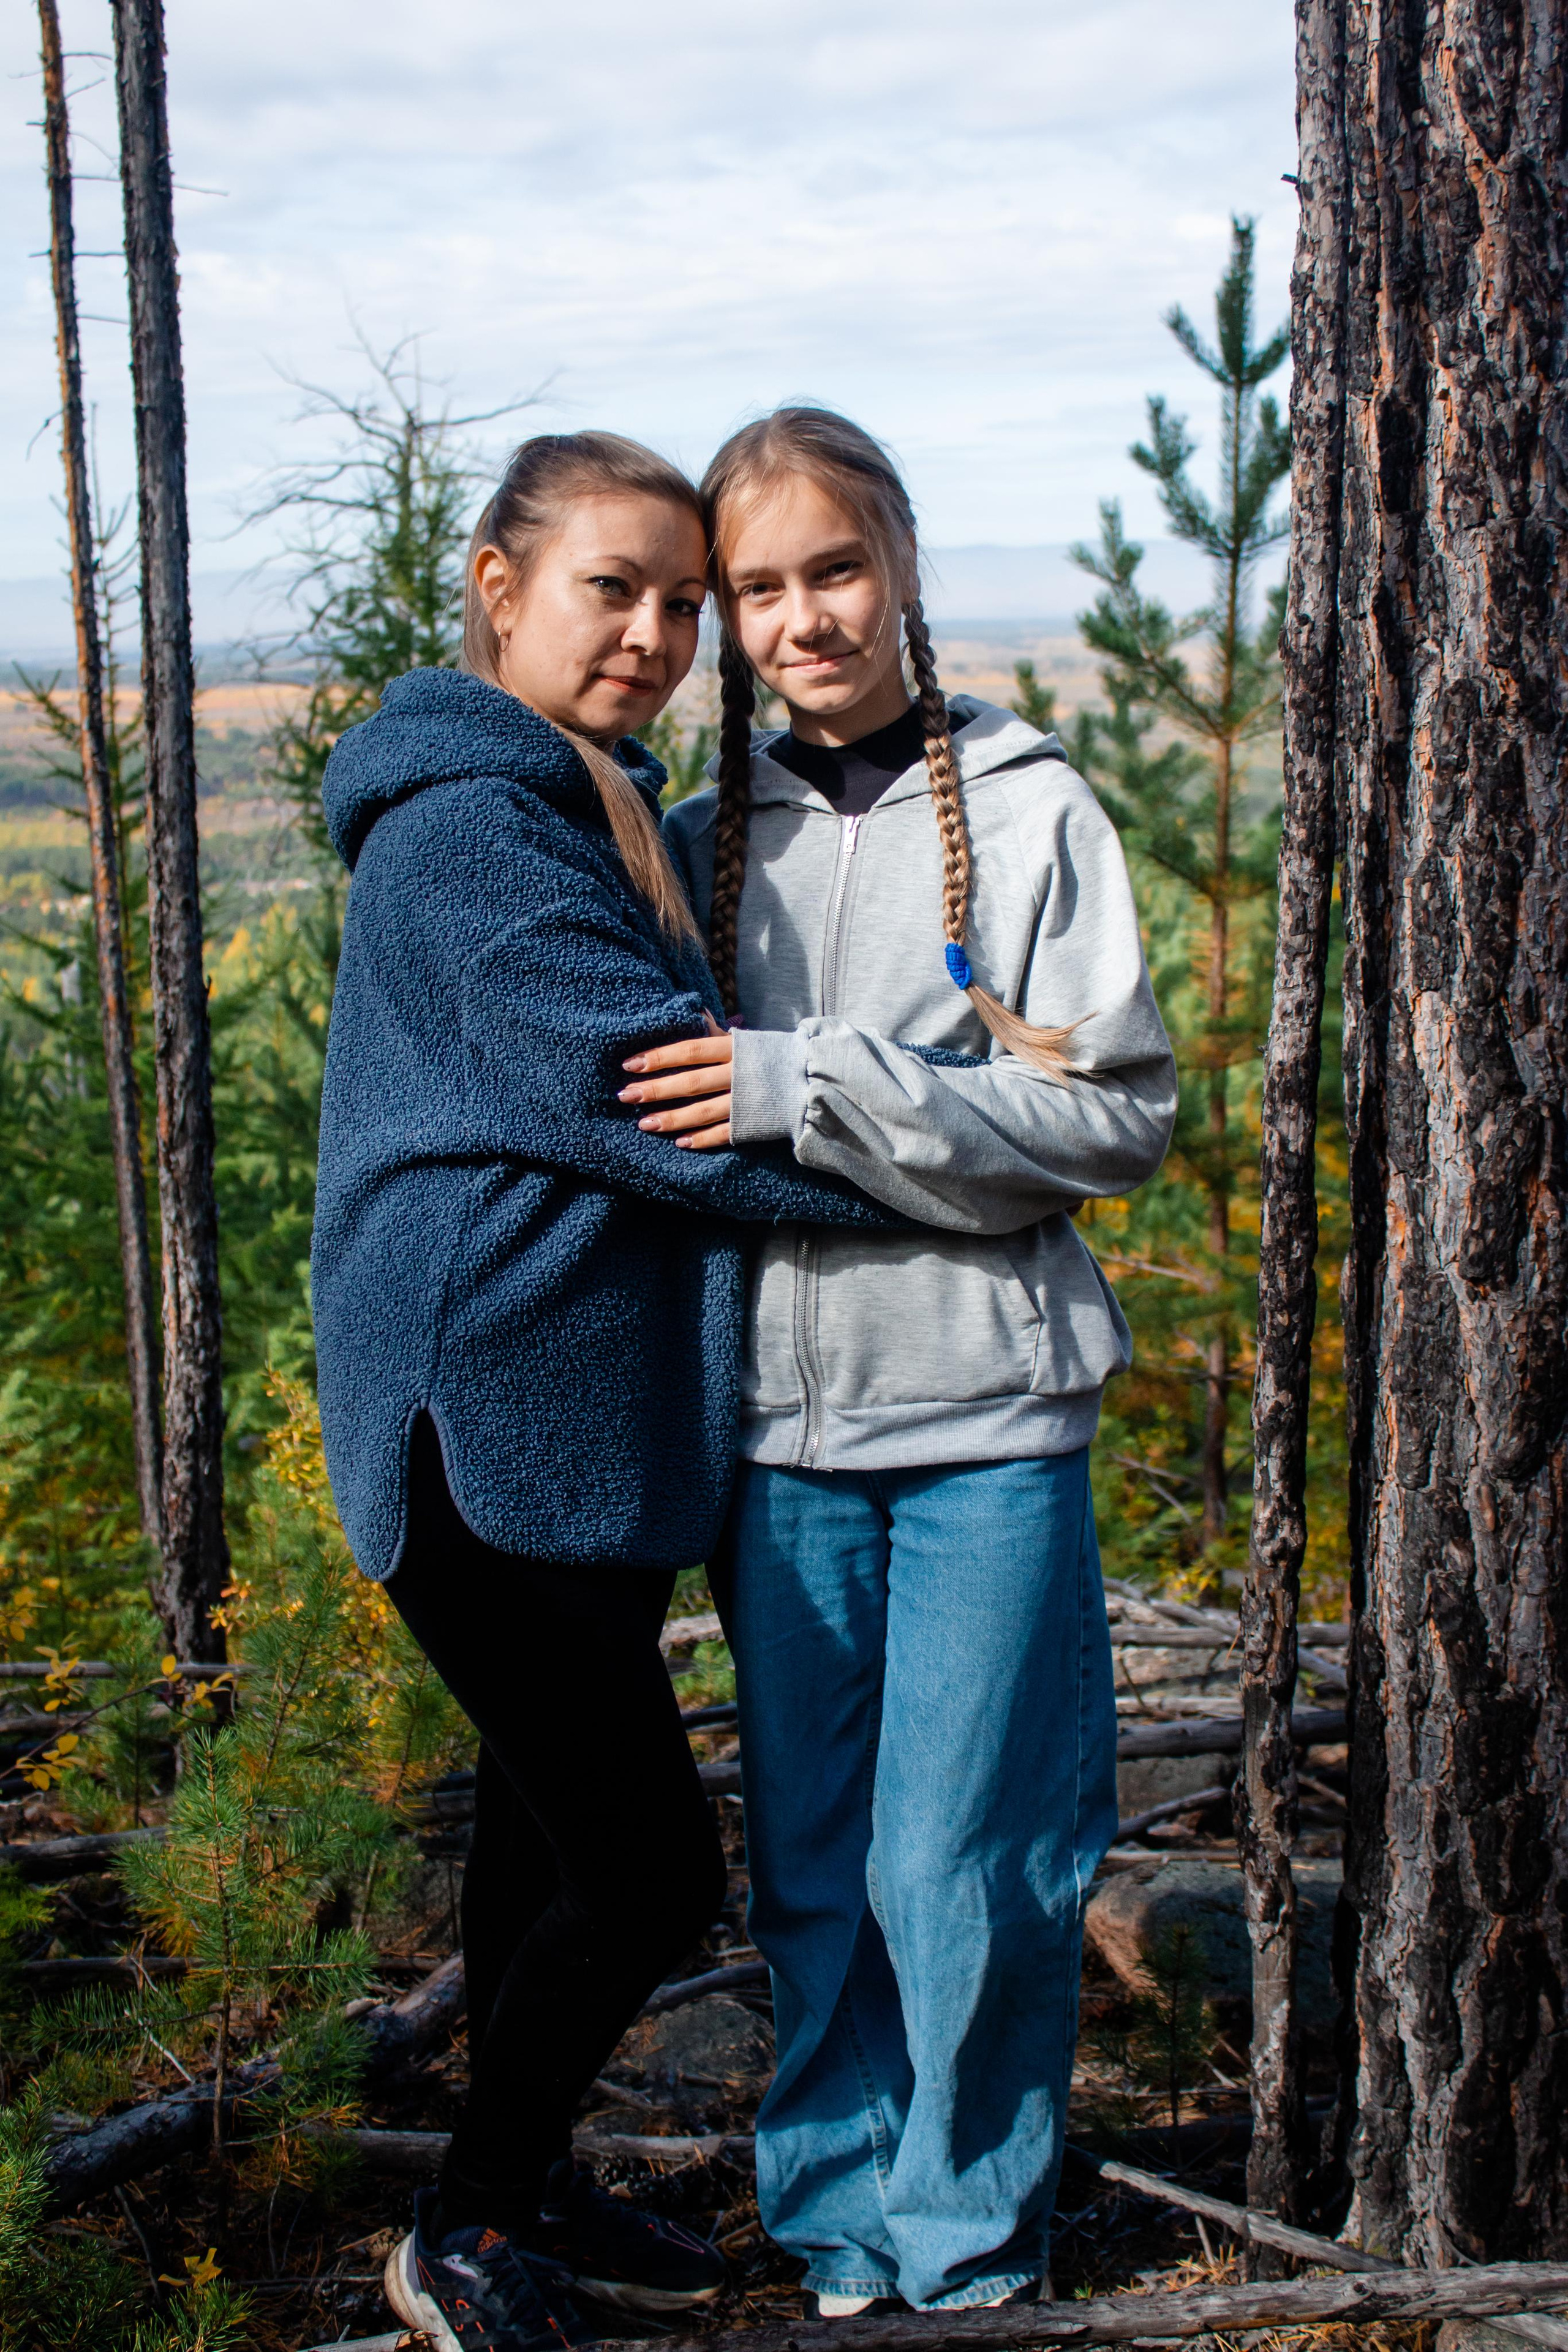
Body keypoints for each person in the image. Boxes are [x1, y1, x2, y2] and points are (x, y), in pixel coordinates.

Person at [311, 430, 907, 2352]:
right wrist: (968, 1160)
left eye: (678, 601)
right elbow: (658, 1102)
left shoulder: (579, 797)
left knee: (548, 1840)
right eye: (608, 590)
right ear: (499, 589)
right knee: (650, 1870)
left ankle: (531, 2180)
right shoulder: (476, 831)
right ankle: (462, 2226)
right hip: (480, 1417)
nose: (653, 633)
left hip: (562, 1423)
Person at [623, 407, 1178, 2316]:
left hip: (991, 1421)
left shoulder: (1034, 811)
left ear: (907, 564)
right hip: (777, 1432)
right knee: (811, 1864)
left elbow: (1109, 1123)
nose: (801, 618)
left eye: (833, 569)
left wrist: (818, 1085)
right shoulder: (695, 847)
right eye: (756, 589)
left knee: (974, 1860)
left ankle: (967, 2230)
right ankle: (835, 2213)